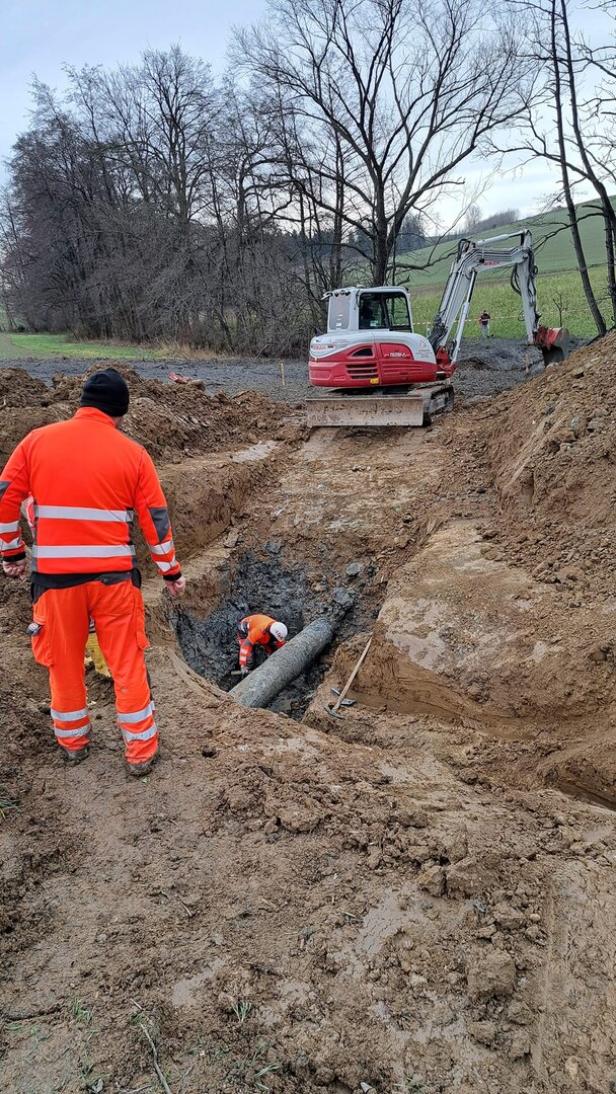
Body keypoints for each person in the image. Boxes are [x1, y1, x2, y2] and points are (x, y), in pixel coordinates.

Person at [0, 368, 186, 776]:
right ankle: (140, 753)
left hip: (54, 583)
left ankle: (73, 744)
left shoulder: (36, 442)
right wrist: (170, 573)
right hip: (114, 582)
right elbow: (156, 520)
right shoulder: (133, 454)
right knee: (126, 663)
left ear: (81, 404)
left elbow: (6, 495)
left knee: (63, 663)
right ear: (119, 413)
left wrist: (11, 551)